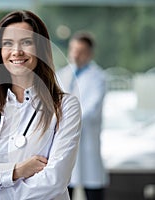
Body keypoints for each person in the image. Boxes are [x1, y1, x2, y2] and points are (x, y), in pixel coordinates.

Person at [0, 10, 82, 200]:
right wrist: (18, 170)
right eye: (8, 43)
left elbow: (54, 181)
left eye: (26, 42)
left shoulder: (65, 107)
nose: (17, 51)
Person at [57, 32, 108, 200]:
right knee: (64, 188)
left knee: (92, 187)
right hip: (64, 142)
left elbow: (91, 108)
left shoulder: (98, 77)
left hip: (87, 140)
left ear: (90, 54)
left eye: (81, 51)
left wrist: (68, 122)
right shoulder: (61, 74)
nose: (75, 54)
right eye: (73, 49)